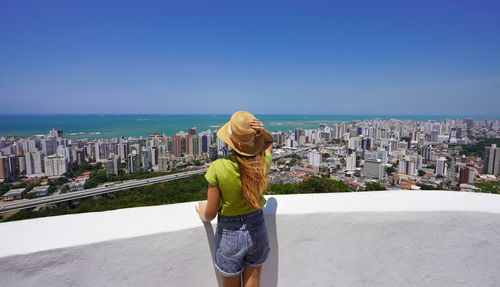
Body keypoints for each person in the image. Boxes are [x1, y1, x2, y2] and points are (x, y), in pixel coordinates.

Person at [196, 111, 274, 287]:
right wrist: (261, 131)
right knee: (253, 280)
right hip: (258, 229)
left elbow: (211, 213)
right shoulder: (262, 161)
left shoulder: (218, 167)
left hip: (229, 236)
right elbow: (269, 142)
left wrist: (203, 214)